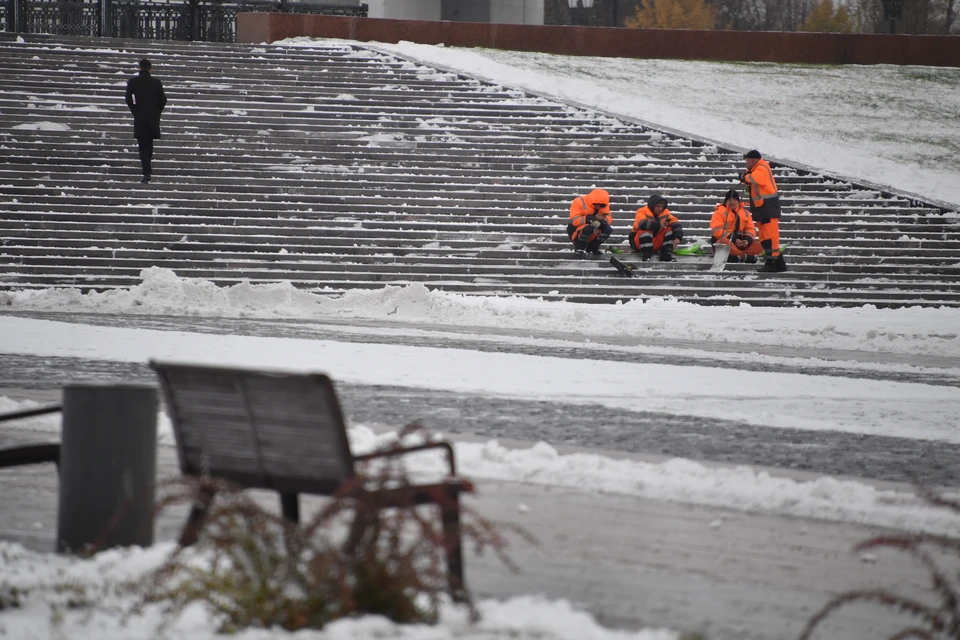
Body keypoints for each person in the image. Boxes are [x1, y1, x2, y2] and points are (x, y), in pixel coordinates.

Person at [739, 150, 786, 272]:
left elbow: (755, 179)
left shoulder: (761, 168)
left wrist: (745, 176)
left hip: (767, 207)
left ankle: (772, 261)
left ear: (753, 160)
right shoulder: (757, 168)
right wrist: (745, 176)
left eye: (747, 161)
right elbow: (751, 178)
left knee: (770, 236)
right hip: (763, 208)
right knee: (765, 237)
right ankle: (779, 263)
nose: (746, 163)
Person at [125, 58, 167, 184]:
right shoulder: (156, 82)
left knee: (142, 144)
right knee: (149, 143)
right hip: (153, 117)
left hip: (140, 116)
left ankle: (147, 171)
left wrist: (135, 109)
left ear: (139, 68)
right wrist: (156, 112)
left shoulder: (133, 82)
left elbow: (128, 98)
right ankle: (147, 169)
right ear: (150, 69)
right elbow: (163, 100)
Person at [710, 189, 763, 263]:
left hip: (741, 243)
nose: (732, 202)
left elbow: (750, 229)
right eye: (729, 199)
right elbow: (717, 231)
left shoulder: (746, 213)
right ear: (726, 201)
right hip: (726, 242)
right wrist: (734, 240)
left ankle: (736, 255)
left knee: (760, 245)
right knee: (722, 242)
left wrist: (747, 240)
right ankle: (743, 256)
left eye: (734, 199)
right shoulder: (718, 213)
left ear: (738, 201)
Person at [629, 194, 683, 262]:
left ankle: (666, 256)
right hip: (639, 243)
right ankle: (646, 256)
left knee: (669, 230)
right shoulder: (642, 211)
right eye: (658, 206)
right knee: (645, 232)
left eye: (661, 207)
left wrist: (677, 237)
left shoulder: (665, 213)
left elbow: (675, 223)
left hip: (656, 241)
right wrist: (658, 225)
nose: (660, 209)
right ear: (652, 205)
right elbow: (641, 224)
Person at [567, 188, 613, 258]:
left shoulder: (604, 205)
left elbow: (608, 217)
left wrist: (601, 222)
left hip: (594, 230)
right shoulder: (579, 202)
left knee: (608, 229)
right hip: (576, 231)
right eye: (597, 204)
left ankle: (593, 247)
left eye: (601, 205)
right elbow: (574, 220)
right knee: (588, 228)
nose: (598, 207)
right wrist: (590, 218)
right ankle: (579, 249)